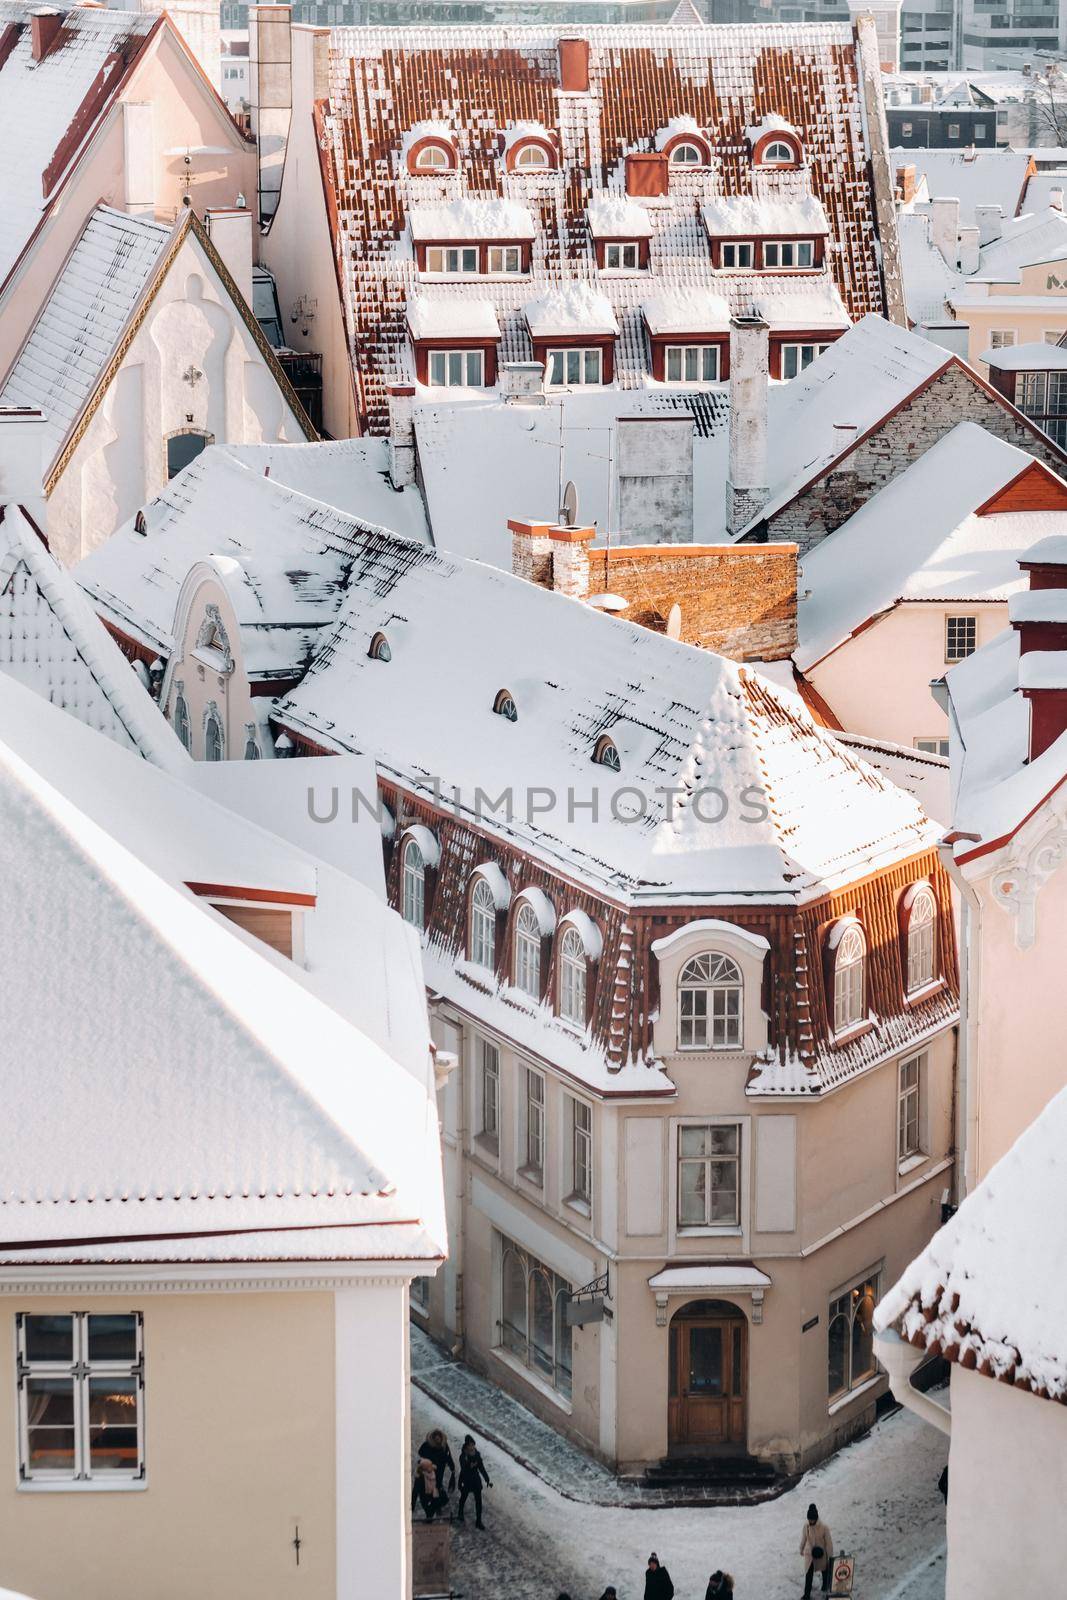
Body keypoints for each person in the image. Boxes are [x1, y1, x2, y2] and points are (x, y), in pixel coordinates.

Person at [415, 1427, 456, 1516]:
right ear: (433, 1438)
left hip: (440, 1470)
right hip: (430, 1471)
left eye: (439, 1437)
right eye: (436, 1437)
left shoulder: (444, 1446)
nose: (438, 1439)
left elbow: (448, 1457)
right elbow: (420, 1454)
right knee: (431, 1487)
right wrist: (424, 1464)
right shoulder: (427, 1445)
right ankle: (432, 1508)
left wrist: (452, 1467)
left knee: (438, 1486)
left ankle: (436, 1506)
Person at [456, 1433, 492, 1528]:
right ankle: (460, 1512)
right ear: (466, 1446)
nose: (472, 1447)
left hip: (475, 1480)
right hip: (466, 1479)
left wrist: (487, 1479)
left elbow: (481, 1468)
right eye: (470, 1445)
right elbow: (463, 1469)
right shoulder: (463, 1456)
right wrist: (469, 1465)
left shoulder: (477, 1455)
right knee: (463, 1497)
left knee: (478, 1501)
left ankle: (478, 1521)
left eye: (473, 1444)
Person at [799, 1503, 834, 1598]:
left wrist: (830, 1557)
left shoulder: (824, 1527)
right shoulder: (806, 1526)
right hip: (810, 1554)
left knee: (825, 1571)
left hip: (821, 1554)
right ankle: (807, 1594)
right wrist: (801, 1549)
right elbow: (804, 1538)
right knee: (808, 1574)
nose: (810, 1521)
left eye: (811, 1519)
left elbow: (829, 1543)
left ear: (816, 1518)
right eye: (809, 1519)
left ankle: (825, 1587)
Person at [411, 1454, 439, 1522]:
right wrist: (413, 1504)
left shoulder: (430, 1473)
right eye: (430, 1466)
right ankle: (429, 1520)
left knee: (430, 1509)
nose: (431, 1467)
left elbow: (415, 1491)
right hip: (427, 1495)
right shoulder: (423, 1476)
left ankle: (429, 1520)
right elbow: (415, 1491)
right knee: (428, 1509)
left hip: (430, 1494)